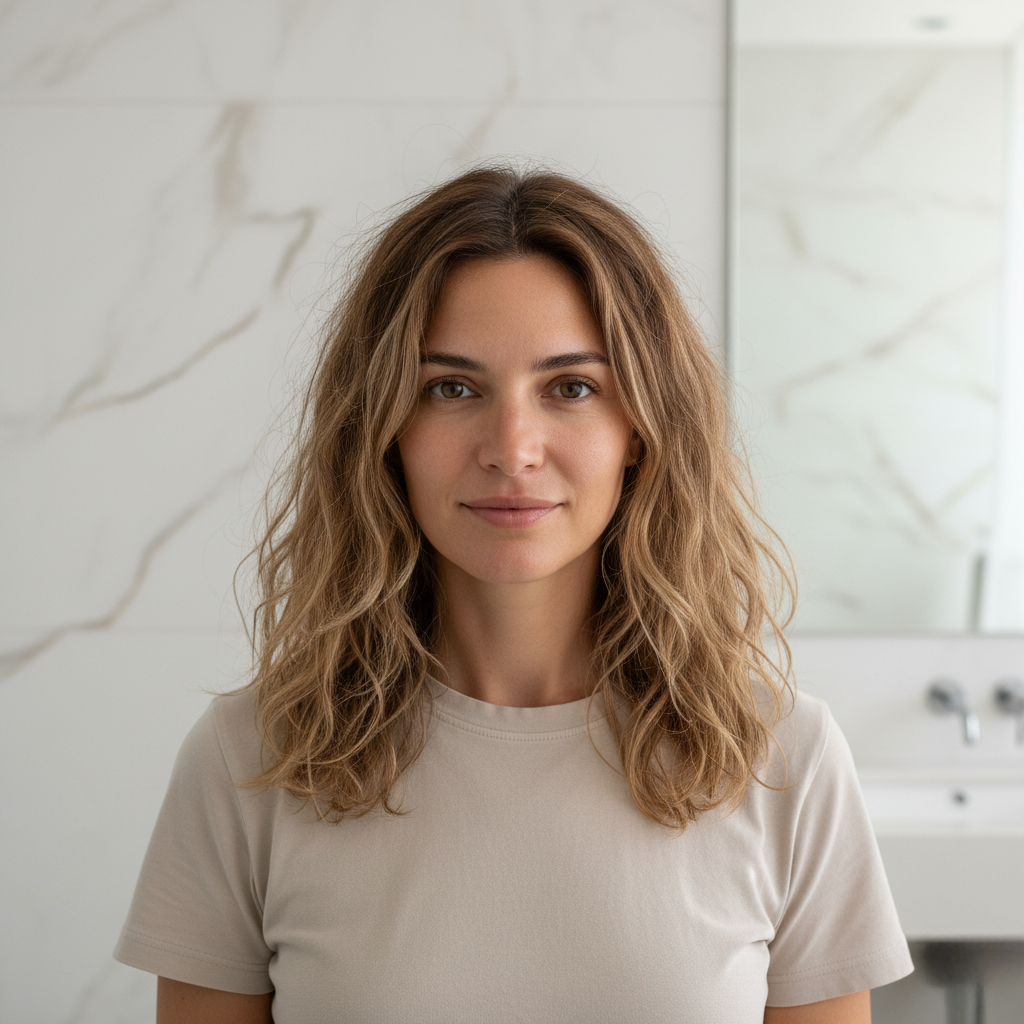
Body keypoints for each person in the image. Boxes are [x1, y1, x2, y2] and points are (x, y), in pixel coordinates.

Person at [114, 164, 913, 1023]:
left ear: (639, 430)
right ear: (385, 430)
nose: (512, 447)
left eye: (571, 388)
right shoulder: (252, 760)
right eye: (451, 388)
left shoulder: (783, 758)